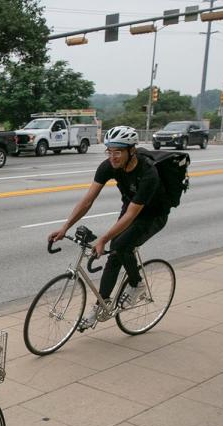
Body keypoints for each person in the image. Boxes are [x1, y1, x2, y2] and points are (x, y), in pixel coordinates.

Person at [47, 125, 170, 329]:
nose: (113, 157)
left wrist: (103, 239)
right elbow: (88, 200)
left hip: (153, 214)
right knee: (115, 254)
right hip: (131, 205)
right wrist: (65, 227)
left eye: (118, 152)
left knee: (120, 245)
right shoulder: (108, 166)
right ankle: (100, 307)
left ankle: (136, 284)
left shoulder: (149, 173)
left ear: (131, 151)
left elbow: (133, 215)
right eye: (110, 151)